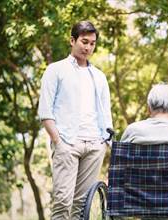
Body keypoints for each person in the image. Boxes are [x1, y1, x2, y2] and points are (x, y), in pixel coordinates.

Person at [38, 21, 112, 220]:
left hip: (95, 145)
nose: (88, 47)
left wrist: (105, 142)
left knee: (82, 206)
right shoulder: (55, 70)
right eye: (84, 41)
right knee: (63, 201)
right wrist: (58, 142)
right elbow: (45, 112)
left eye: (92, 43)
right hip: (67, 144)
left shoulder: (99, 76)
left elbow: (106, 112)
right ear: (72, 40)